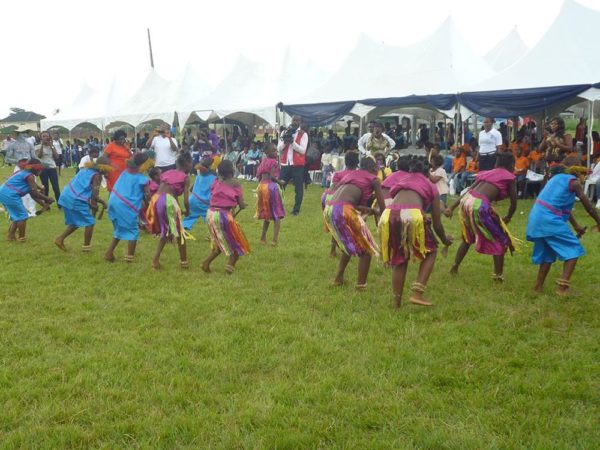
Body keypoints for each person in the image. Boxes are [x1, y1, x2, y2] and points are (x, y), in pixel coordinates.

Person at [379, 158, 453, 308]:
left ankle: (396, 304)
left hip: (389, 215)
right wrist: (445, 240)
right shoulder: (431, 186)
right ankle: (417, 293)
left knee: (400, 258)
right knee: (431, 251)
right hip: (411, 214)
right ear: (428, 171)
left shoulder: (403, 180)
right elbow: (437, 225)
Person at [526, 157, 600, 295]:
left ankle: (538, 287)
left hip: (536, 218)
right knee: (573, 249)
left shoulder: (555, 179)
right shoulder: (573, 182)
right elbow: (588, 206)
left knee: (547, 255)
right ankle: (562, 288)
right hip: (549, 220)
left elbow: (560, 207)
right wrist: (598, 221)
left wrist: (576, 226)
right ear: (576, 169)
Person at [447, 152, 519, 282]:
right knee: (500, 238)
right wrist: (508, 217)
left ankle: (454, 266)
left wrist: (452, 207)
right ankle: (498, 276)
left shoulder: (487, 173)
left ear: (496, 163)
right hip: (479, 205)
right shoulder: (510, 177)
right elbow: (514, 203)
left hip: (466, 202)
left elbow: (468, 191)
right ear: (512, 164)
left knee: (467, 237)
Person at [324, 157, 386, 290]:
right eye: (377, 168)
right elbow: (383, 207)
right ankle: (361, 286)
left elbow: (349, 198)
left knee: (349, 243)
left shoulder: (350, 175)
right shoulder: (373, 179)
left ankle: (338, 278)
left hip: (330, 208)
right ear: (373, 168)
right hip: (344, 209)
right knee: (366, 249)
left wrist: (368, 210)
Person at [202, 160, 251, 274]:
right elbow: (241, 203)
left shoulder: (216, 181)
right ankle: (229, 266)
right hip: (222, 215)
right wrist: (242, 206)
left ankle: (206, 263)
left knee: (220, 241)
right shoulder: (235, 183)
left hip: (210, 213)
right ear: (232, 170)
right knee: (235, 242)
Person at [54, 156, 112, 252]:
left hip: (66, 195)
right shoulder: (96, 176)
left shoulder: (85, 170)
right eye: (108, 168)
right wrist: (103, 203)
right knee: (90, 222)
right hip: (74, 199)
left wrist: (91, 205)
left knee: (76, 221)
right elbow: (94, 196)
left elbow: (82, 188)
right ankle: (86, 247)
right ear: (103, 167)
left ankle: (60, 239)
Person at [104, 152, 154, 263]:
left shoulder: (124, 173)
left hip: (113, 201)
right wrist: (151, 204)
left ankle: (109, 253)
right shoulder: (142, 179)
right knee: (133, 230)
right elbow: (147, 195)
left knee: (120, 229)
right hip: (125, 205)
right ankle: (129, 258)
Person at [147, 152, 193, 269]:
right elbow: (186, 200)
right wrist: (187, 211)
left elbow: (172, 193)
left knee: (167, 230)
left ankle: (155, 260)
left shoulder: (167, 173)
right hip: (167, 201)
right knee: (179, 232)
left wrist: (178, 209)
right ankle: (184, 262)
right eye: (191, 163)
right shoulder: (185, 177)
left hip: (156, 200)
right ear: (187, 164)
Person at [0, 159, 53, 241]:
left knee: (17, 216)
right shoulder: (30, 176)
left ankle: (10, 237)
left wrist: (44, 203)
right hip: (9, 195)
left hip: (4, 192)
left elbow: (33, 193)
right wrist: (47, 199)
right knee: (22, 216)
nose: (41, 171)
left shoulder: (25, 173)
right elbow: (35, 193)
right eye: (40, 169)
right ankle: (22, 238)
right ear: (35, 168)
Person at [278, 115, 309, 216]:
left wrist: (292, 143)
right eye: (293, 120)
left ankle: (296, 210)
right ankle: (277, 207)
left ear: (300, 122)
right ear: (291, 120)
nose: (295, 122)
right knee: (280, 187)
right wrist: (285, 142)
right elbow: (279, 148)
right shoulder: (284, 132)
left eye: (297, 120)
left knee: (298, 188)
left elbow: (303, 150)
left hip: (297, 165)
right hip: (285, 163)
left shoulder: (303, 134)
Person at [255, 143, 285, 246]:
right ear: (267, 152)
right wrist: (280, 182)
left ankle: (263, 238)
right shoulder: (274, 162)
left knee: (267, 214)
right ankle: (274, 240)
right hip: (271, 188)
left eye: (276, 150)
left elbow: (258, 175)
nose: (276, 152)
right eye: (274, 151)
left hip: (261, 187)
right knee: (277, 214)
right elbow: (272, 177)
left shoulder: (263, 162)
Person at [4, 126, 37, 217]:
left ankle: (32, 211)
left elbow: (34, 157)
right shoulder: (12, 145)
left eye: (26, 132)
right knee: (19, 190)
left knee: (32, 188)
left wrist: (35, 165)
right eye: (23, 132)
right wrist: (18, 162)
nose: (25, 134)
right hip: (19, 169)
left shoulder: (30, 145)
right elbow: (7, 159)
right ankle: (23, 210)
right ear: (18, 134)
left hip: (29, 168)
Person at [183, 155, 218, 231]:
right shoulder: (215, 179)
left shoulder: (199, 176)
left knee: (190, 217)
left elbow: (191, 189)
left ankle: (183, 230)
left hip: (192, 200)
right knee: (211, 219)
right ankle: (214, 234)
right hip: (204, 203)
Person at [36, 131, 61, 205]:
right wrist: (42, 146)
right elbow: (39, 156)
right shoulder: (38, 146)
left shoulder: (52, 146)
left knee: (56, 187)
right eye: (43, 136)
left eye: (47, 136)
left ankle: (59, 203)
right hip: (42, 169)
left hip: (52, 168)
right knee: (45, 187)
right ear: (41, 138)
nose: (45, 137)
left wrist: (51, 146)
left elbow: (56, 156)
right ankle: (46, 204)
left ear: (49, 137)